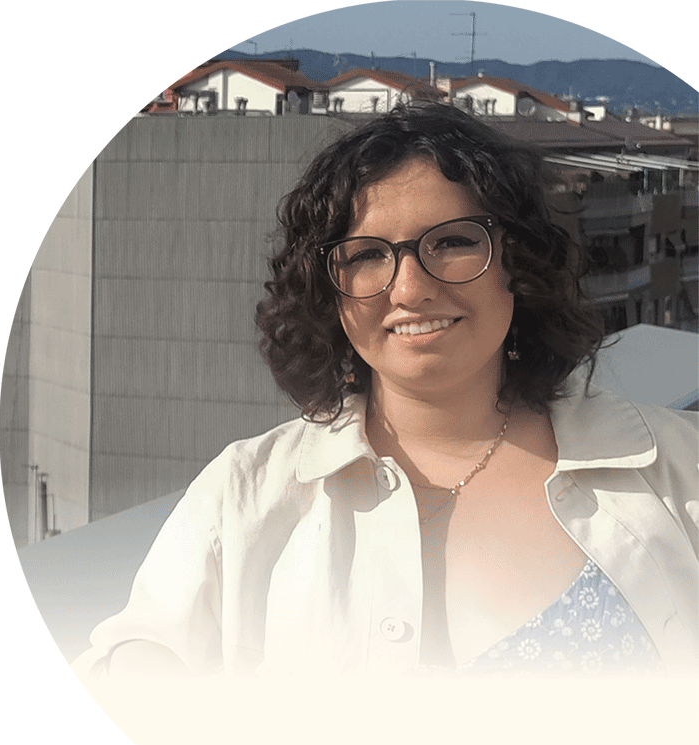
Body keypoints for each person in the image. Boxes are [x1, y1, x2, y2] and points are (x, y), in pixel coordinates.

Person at [74, 102, 698, 681]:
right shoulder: (244, 496)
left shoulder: (675, 467)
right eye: (368, 254)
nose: (409, 289)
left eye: (452, 242)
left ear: (518, 260)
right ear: (330, 292)